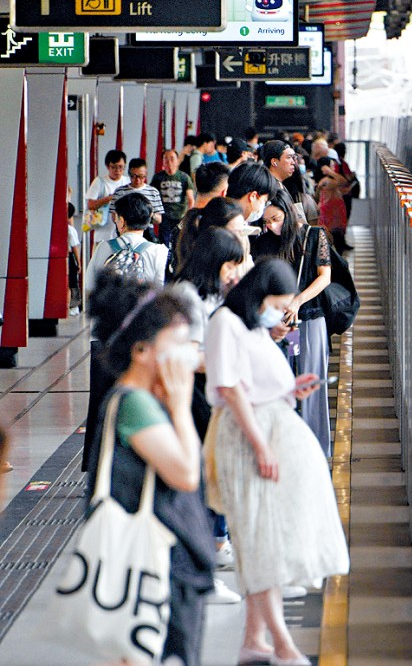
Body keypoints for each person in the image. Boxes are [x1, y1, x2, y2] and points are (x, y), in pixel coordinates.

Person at [204, 259, 348, 666]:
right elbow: (231, 390)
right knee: (259, 540)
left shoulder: (251, 327)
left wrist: (290, 387)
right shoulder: (225, 324)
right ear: (258, 294)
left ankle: (254, 640)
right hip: (247, 441)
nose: (279, 311)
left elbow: (256, 381)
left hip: (266, 432)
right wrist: (262, 447)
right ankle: (283, 645)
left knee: (261, 538)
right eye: (277, 302)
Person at [86, 270, 216, 666]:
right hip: (153, 566)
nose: (189, 353)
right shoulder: (134, 403)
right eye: (177, 343)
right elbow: (187, 473)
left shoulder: (137, 399)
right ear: (142, 350)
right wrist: (179, 405)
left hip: (151, 564)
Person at [171, 227, 247, 605]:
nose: (236, 273)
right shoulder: (187, 296)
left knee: (207, 483)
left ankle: (203, 570)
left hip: (207, 396)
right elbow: (186, 356)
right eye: (232, 265)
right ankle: (201, 577)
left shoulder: (214, 293)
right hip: (193, 400)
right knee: (197, 487)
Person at [83, 193, 169, 472]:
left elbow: (89, 290)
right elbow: (159, 296)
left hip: (104, 339)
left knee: (101, 402)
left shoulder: (101, 249)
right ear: (147, 222)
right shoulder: (159, 252)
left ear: (119, 220)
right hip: (140, 341)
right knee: (138, 398)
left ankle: (96, 465)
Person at [252, 192, 333, 455]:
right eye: (266, 222)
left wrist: (298, 301)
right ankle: (288, 447)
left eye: (275, 219)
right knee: (285, 379)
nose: (272, 226)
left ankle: (315, 449)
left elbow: (325, 277)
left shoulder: (313, 235)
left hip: (309, 318)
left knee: (310, 381)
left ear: (288, 212)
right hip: (280, 324)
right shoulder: (263, 243)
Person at [110, 158, 165, 242]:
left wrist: (148, 215)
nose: (137, 180)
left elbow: (159, 219)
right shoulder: (120, 192)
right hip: (125, 232)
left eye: (141, 176)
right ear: (129, 174)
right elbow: (114, 217)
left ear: (146, 175)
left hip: (146, 233)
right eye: (133, 176)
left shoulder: (153, 192)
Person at [152, 149, 196, 247]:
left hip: (180, 217)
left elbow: (191, 199)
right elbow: (152, 196)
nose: (169, 162)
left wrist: (188, 216)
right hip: (164, 217)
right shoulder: (158, 177)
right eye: (166, 159)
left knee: (179, 243)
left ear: (177, 160)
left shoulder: (184, 177)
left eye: (172, 159)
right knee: (164, 243)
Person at [84, 149, 129, 242]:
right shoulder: (100, 182)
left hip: (124, 234)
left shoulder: (127, 182)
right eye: (114, 167)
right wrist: (110, 198)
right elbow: (90, 204)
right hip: (103, 234)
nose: (118, 171)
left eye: (121, 167)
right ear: (108, 166)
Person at [68, 201, 82, 317]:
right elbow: (75, 247)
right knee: (72, 283)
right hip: (70, 258)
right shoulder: (70, 230)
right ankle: (73, 306)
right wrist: (79, 262)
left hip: (61, 259)